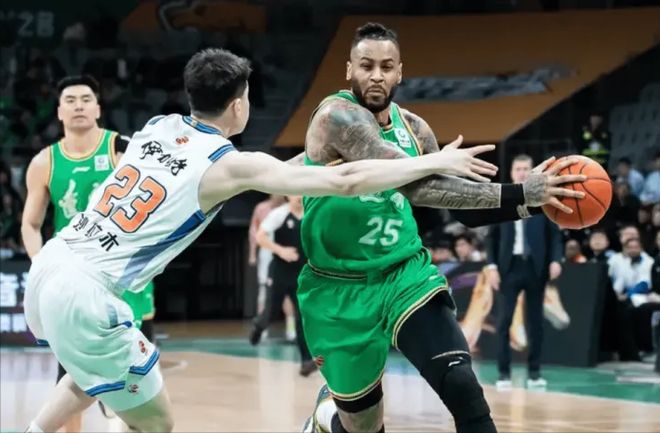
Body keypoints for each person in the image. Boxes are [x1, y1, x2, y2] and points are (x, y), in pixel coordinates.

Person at [23, 47, 500, 433]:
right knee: (155, 423)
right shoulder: (228, 163)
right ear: (239, 105)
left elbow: (271, 174)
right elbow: (345, 182)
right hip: (89, 292)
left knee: (90, 374)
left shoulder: (157, 127)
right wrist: (433, 161)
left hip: (50, 264)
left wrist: (314, 162)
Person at [298, 23, 586, 433]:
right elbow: (413, 184)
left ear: (400, 73)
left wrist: (534, 203)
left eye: (386, 67)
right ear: (349, 70)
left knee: (461, 383)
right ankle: (326, 418)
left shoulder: (415, 129)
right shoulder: (336, 117)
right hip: (338, 288)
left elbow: (458, 206)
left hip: (403, 274)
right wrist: (521, 190)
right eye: (366, 66)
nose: (376, 75)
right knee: (362, 426)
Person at [19, 75, 156, 431]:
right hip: (73, 281)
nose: (78, 105)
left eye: (85, 99)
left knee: (134, 379)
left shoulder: (122, 149)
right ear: (59, 111)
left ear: (98, 107)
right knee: (72, 378)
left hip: (124, 277)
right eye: (70, 100)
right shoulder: (44, 162)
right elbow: (30, 224)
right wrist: (42, 265)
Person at [486, 154, 563, 390]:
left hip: (535, 267)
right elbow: (491, 238)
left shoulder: (543, 200)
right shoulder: (502, 200)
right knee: (504, 322)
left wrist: (556, 260)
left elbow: (555, 235)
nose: (522, 172)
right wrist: (491, 266)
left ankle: (535, 373)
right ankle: (503, 374)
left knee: (536, 323)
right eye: (518, 168)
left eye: (526, 168)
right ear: (511, 173)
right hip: (509, 268)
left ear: (533, 172)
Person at [251, 195, 316, 376]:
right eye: (295, 193)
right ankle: (259, 326)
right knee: (271, 313)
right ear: (288, 195)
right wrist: (281, 251)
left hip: (300, 273)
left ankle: (306, 362)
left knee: (302, 317)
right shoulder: (279, 214)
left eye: (302, 193)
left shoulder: (310, 214)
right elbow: (260, 237)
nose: (299, 197)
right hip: (279, 271)